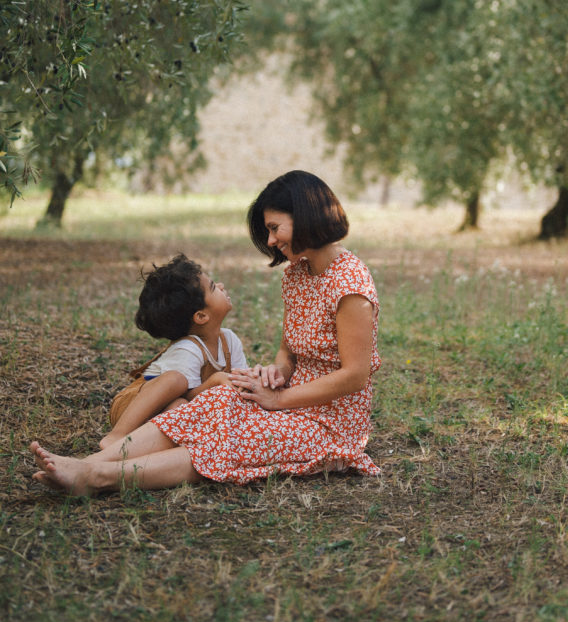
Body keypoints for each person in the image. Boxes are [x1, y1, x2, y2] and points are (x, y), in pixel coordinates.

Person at [29, 171, 380, 496]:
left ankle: (96, 478)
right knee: (218, 398)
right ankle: (88, 463)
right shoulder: (297, 275)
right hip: (291, 401)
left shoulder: (350, 286)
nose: (271, 241)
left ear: (305, 216)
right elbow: (288, 352)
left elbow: (354, 376)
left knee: (223, 443)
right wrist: (275, 374)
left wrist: (279, 400)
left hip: (330, 424)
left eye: (275, 228)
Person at [100, 253, 248, 449]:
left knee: (181, 411)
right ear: (201, 316)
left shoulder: (229, 340)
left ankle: (139, 449)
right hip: (132, 408)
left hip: (170, 410)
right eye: (213, 288)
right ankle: (116, 437)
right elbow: (186, 395)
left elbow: (239, 381)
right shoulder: (188, 349)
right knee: (176, 382)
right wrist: (215, 380)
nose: (221, 285)